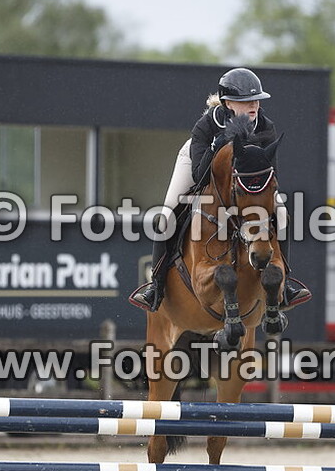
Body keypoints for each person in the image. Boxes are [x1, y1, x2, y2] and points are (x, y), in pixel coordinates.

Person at [130, 67, 311, 313]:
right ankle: (156, 285)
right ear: (227, 103)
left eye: (256, 100)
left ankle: (285, 283)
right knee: (167, 215)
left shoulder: (265, 127)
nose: (254, 105)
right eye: (246, 101)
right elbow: (199, 175)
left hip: (244, 182)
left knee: (281, 213)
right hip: (199, 165)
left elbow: (271, 174)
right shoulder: (206, 125)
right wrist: (217, 144)